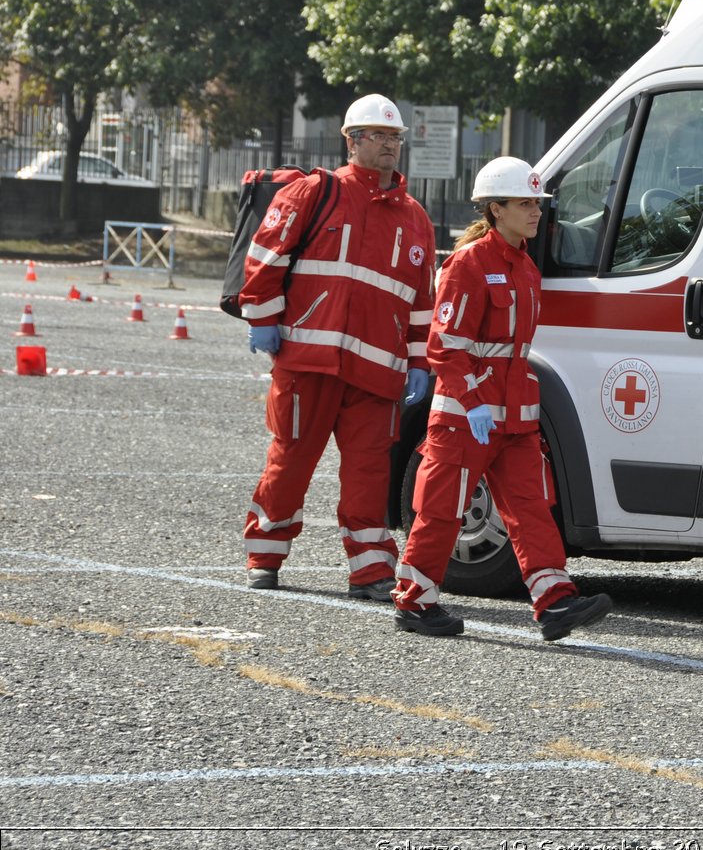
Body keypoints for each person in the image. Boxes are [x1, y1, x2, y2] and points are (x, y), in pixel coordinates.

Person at [390, 156, 612, 640]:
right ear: (495, 209)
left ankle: (554, 601)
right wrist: (472, 404)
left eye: (537, 203)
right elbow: (444, 346)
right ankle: (414, 601)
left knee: (532, 506)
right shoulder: (469, 265)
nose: (536, 212)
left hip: (514, 418)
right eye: (525, 203)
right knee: (441, 508)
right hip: (466, 415)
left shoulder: (527, 269)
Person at [238, 93, 436, 598]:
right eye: (379, 136)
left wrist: (418, 363)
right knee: (290, 462)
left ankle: (370, 569)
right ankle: (265, 555)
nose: (390, 145)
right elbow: (265, 257)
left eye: (395, 137)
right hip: (309, 360)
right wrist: (263, 318)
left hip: (377, 374)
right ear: (351, 141)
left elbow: (420, 303)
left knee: (369, 474)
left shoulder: (416, 219)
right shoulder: (314, 192)